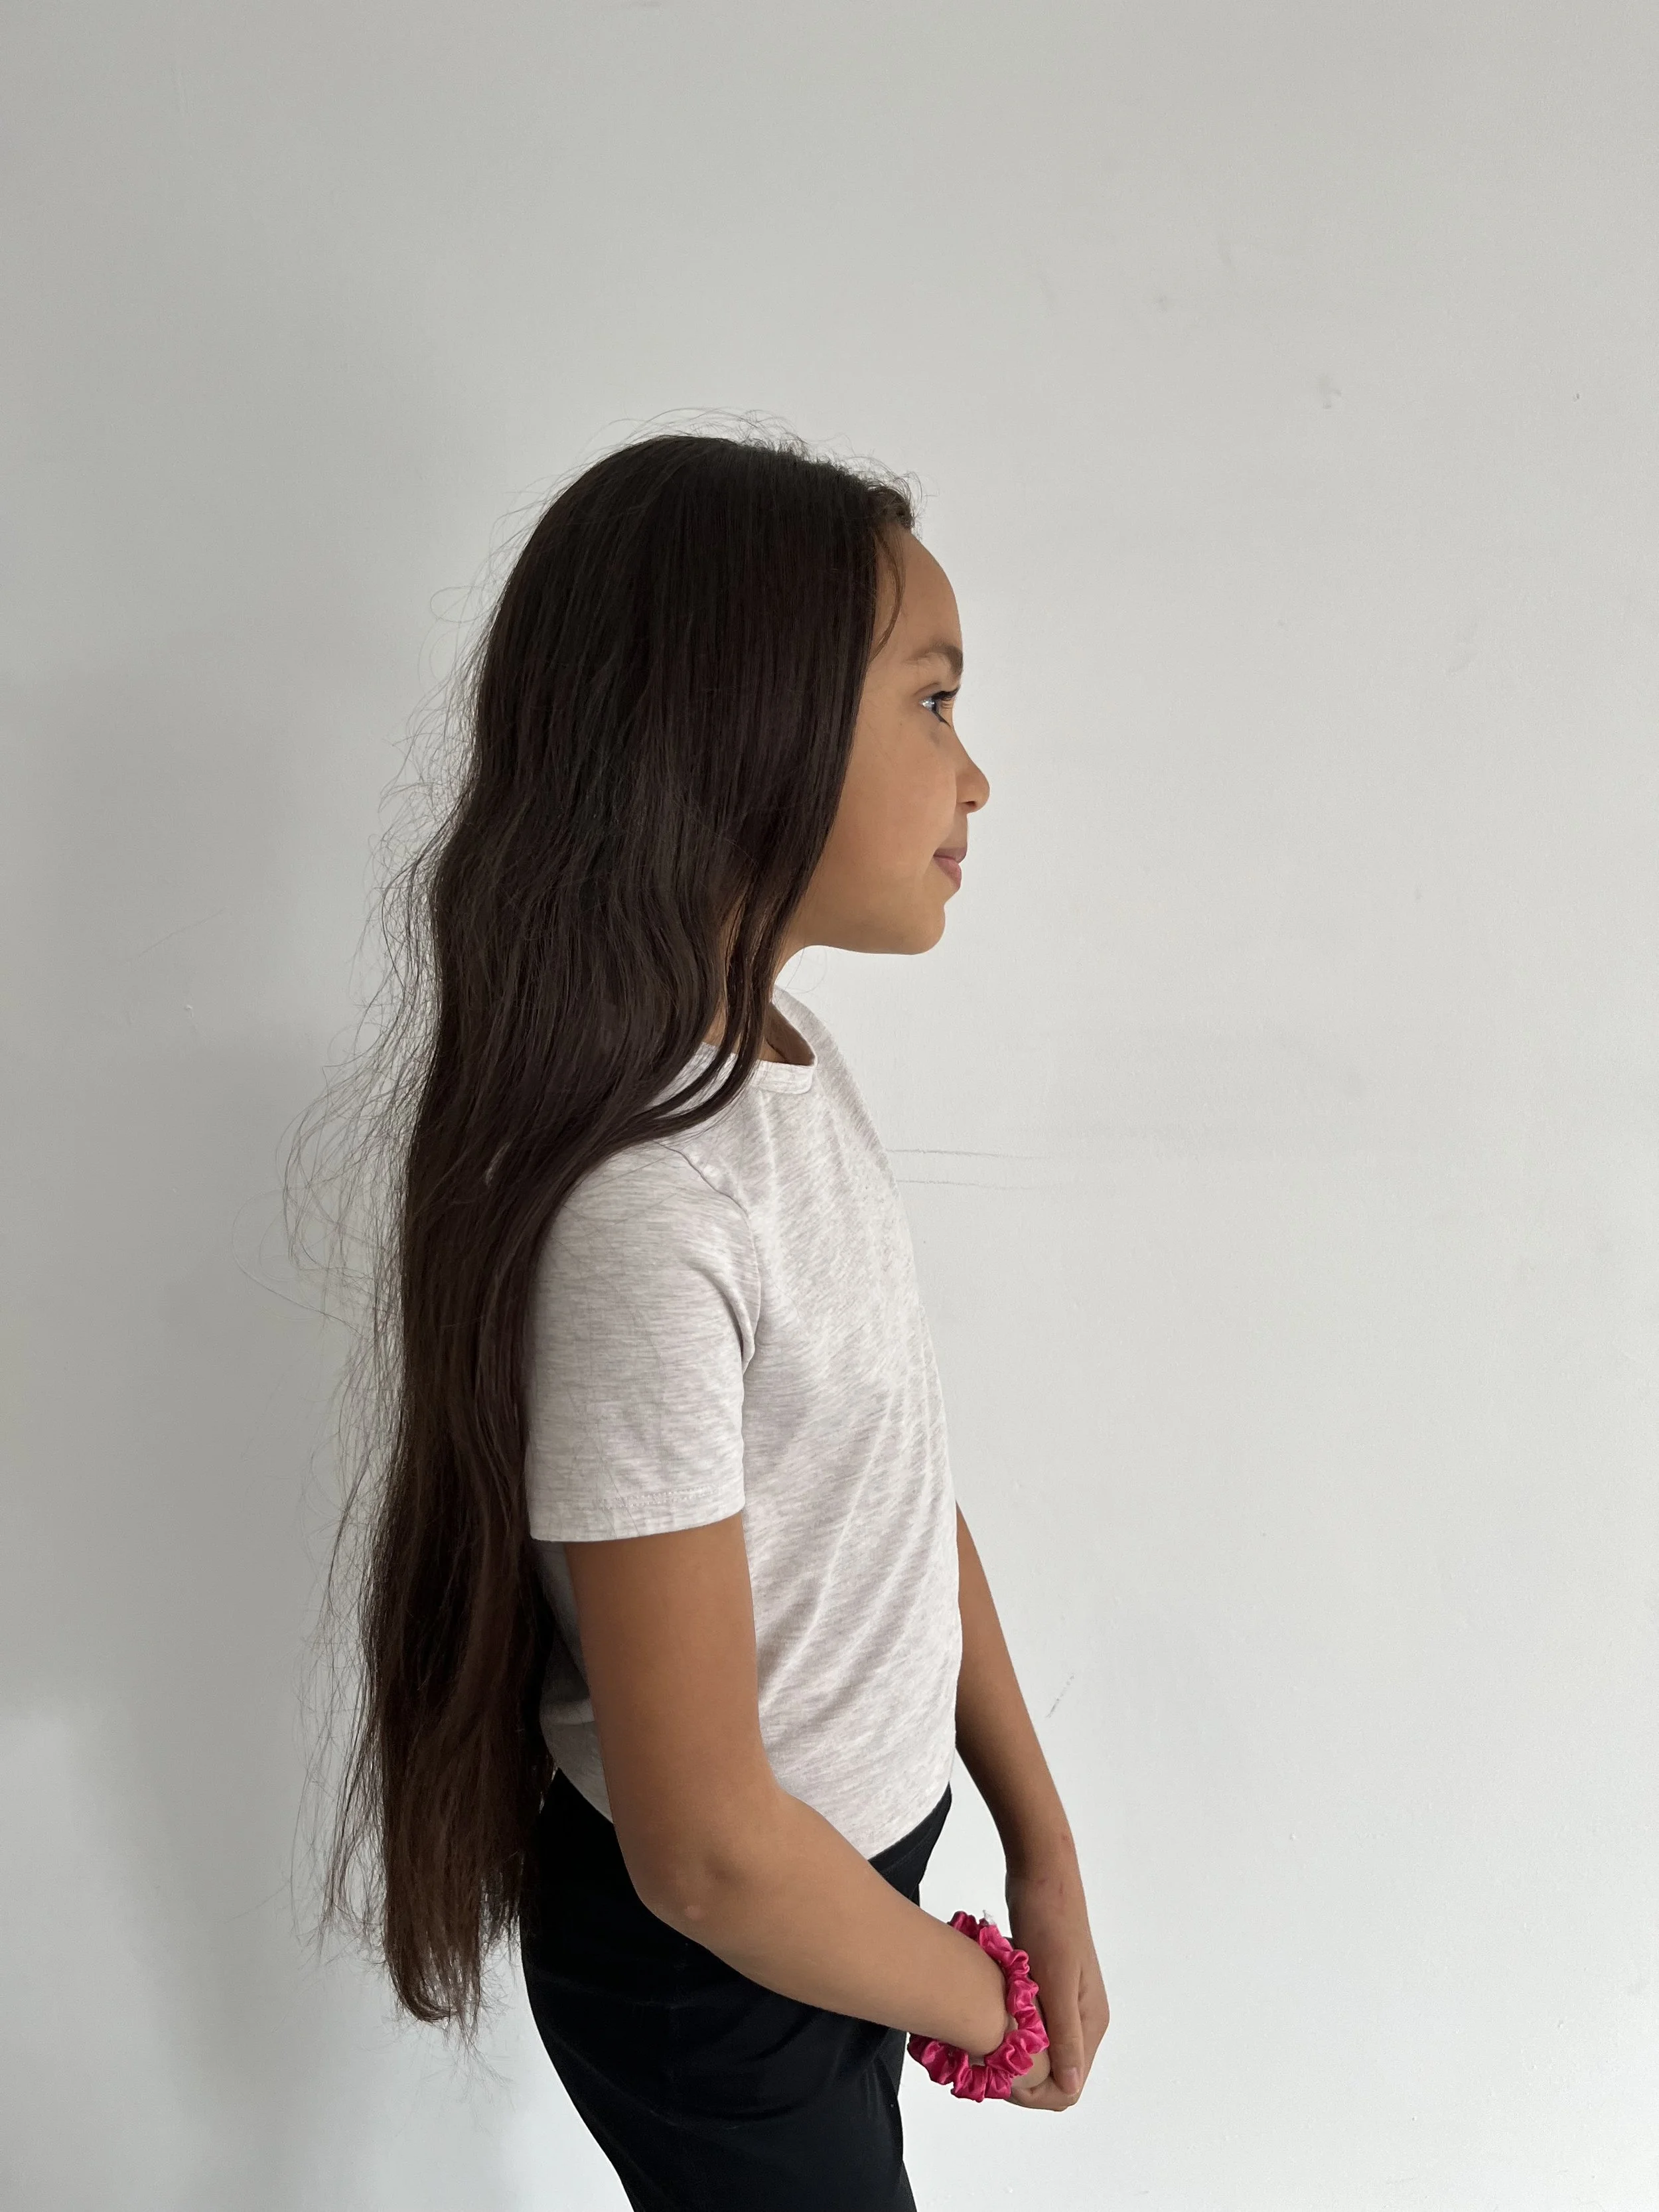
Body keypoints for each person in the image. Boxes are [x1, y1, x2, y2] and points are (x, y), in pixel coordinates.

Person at [313, 429, 1109, 2210]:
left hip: (841, 1916)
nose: (975, 774)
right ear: (744, 724)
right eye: (932, 702)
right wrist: (978, 2003)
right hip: (729, 1976)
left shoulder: (783, 1076)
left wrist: (1035, 1845)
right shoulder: (650, 1210)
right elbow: (709, 1853)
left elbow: (895, 1500)